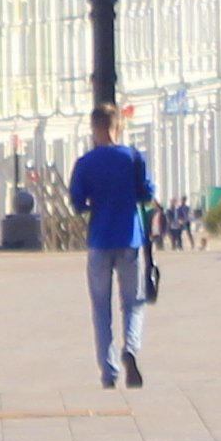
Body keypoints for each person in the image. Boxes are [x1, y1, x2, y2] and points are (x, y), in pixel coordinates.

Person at [62, 103, 155, 389]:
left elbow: (77, 202)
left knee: (101, 309)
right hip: (130, 238)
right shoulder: (132, 157)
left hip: (99, 240)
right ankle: (131, 348)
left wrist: (95, 202)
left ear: (94, 129)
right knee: (133, 304)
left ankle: (109, 371)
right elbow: (147, 193)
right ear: (117, 126)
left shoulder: (86, 162)